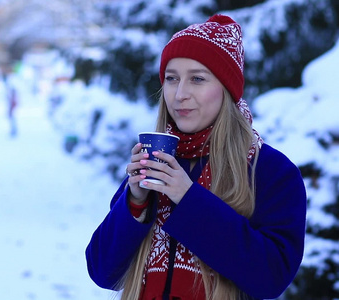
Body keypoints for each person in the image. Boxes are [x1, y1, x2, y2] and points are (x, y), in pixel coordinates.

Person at [85, 14, 306, 300]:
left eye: (197, 79)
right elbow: (103, 272)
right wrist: (135, 203)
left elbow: (272, 277)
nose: (179, 94)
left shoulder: (271, 170)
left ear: (226, 89)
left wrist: (189, 199)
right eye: (171, 79)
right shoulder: (158, 161)